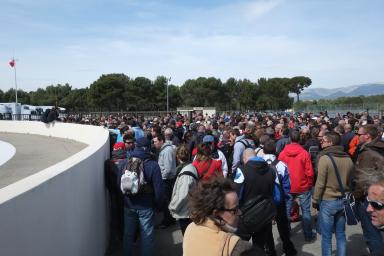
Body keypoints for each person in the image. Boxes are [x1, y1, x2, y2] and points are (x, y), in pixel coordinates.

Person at [183, 176, 265, 256]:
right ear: (216, 214)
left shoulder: (190, 228)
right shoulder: (237, 248)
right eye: (234, 210)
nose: (240, 213)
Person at [121, 137, 164, 256]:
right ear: (148, 147)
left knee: (128, 234)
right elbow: (159, 190)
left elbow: (118, 184)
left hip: (128, 204)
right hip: (146, 205)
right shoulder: (153, 165)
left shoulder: (125, 162)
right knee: (147, 236)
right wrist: (157, 205)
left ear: (136, 146)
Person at [312, 132, 354, 256]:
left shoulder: (325, 158)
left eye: (323, 140)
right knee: (341, 234)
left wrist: (315, 200)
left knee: (326, 236)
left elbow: (320, 183)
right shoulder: (347, 158)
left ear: (331, 142)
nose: (321, 142)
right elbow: (351, 180)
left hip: (328, 200)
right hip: (343, 199)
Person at [278, 129, 315, 242]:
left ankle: (287, 233)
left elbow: (279, 171)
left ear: (289, 139)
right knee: (306, 211)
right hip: (302, 185)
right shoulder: (304, 153)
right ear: (299, 139)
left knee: (287, 211)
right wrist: (309, 184)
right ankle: (308, 235)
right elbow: (310, 172)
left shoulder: (283, 153)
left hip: (288, 186)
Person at [236, 148, 275, 253]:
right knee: (259, 248)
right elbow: (277, 196)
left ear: (245, 158)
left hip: (245, 216)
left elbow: (236, 194)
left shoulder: (242, 170)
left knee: (239, 248)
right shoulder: (272, 170)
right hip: (264, 215)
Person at [353, 125, 384, 255]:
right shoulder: (380, 147)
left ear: (367, 136)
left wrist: (356, 195)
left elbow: (361, 179)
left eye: (359, 134)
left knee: (372, 234)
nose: (357, 136)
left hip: (369, 197)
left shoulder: (367, 153)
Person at [262, 140, 297, 256]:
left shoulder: (258, 164)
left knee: (266, 229)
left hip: (265, 202)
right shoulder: (282, 165)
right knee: (283, 227)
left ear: (263, 151)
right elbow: (287, 185)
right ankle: (288, 248)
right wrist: (287, 199)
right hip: (280, 201)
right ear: (275, 151)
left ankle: (270, 251)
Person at [169, 145, 198, 235]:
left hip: (186, 212)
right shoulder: (190, 167)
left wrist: (172, 207)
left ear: (177, 156)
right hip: (188, 209)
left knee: (187, 236)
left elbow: (182, 195)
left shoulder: (186, 174)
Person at [153, 133, 177, 228]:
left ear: (161, 141)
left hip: (166, 180)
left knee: (166, 201)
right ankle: (169, 219)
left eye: (155, 141)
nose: (154, 143)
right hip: (166, 179)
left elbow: (167, 169)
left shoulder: (166, 151)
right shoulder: (165, 149)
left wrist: (161, 177)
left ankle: (168, 221)